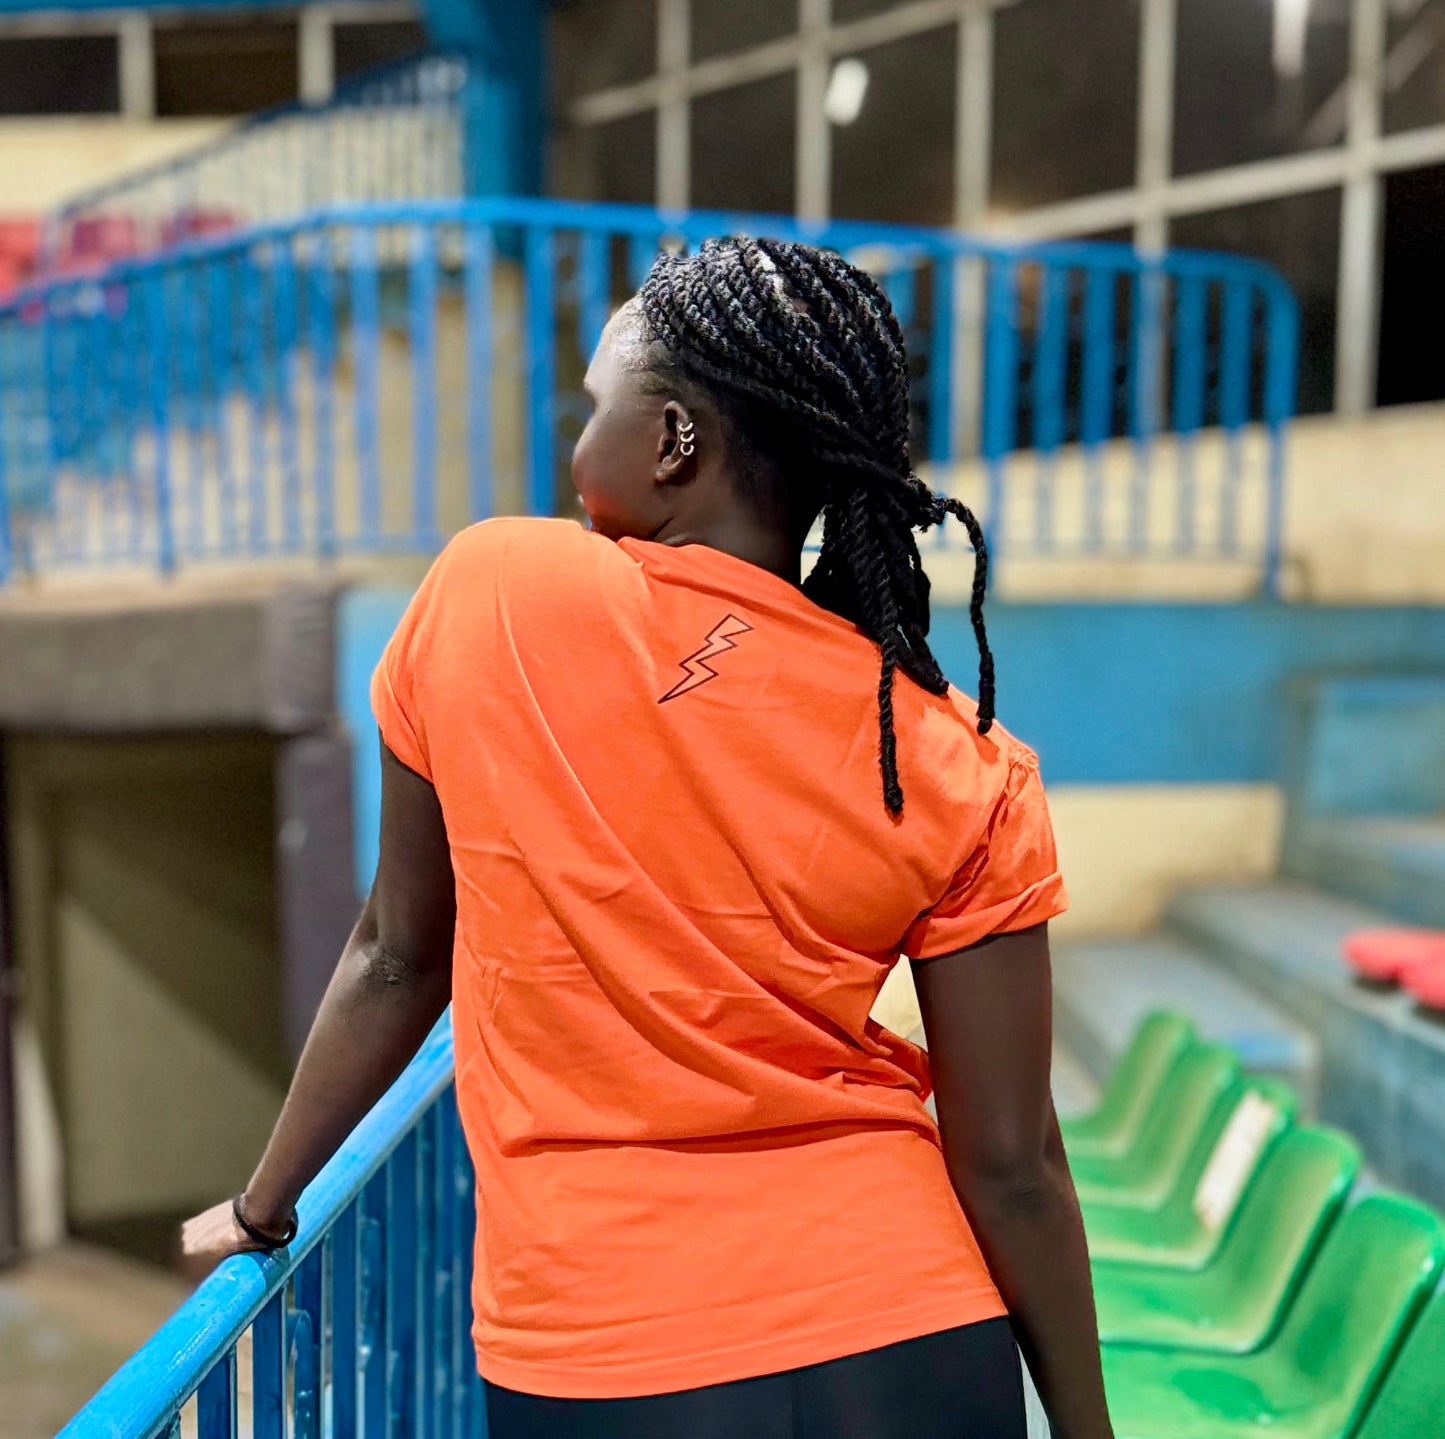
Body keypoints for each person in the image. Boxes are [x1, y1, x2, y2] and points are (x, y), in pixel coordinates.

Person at [184, 237, 1113, 1439]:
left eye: (592, 405)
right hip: (912, 1331)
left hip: (609, 1353)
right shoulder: (943, 746)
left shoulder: (490, 593)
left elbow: (397, 954)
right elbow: (1011, 1161)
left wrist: (266, 1204)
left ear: (672, 437)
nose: (574, 447)